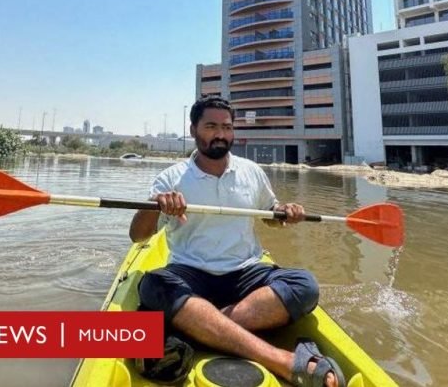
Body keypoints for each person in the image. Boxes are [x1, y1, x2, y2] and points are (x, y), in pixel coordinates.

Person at [129, 96, 345, 387]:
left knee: (304, 286)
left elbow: (270, 213)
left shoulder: (251, 171)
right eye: (211, 126)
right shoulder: (171, 178)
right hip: (190, 273)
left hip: (246, 273)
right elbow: (138, 236)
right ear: (193, 130)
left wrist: (285, 213)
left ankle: (195, 328)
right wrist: (155, 205)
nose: (221, 134)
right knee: (153, 285)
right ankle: (281, 359)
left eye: (227, 127)